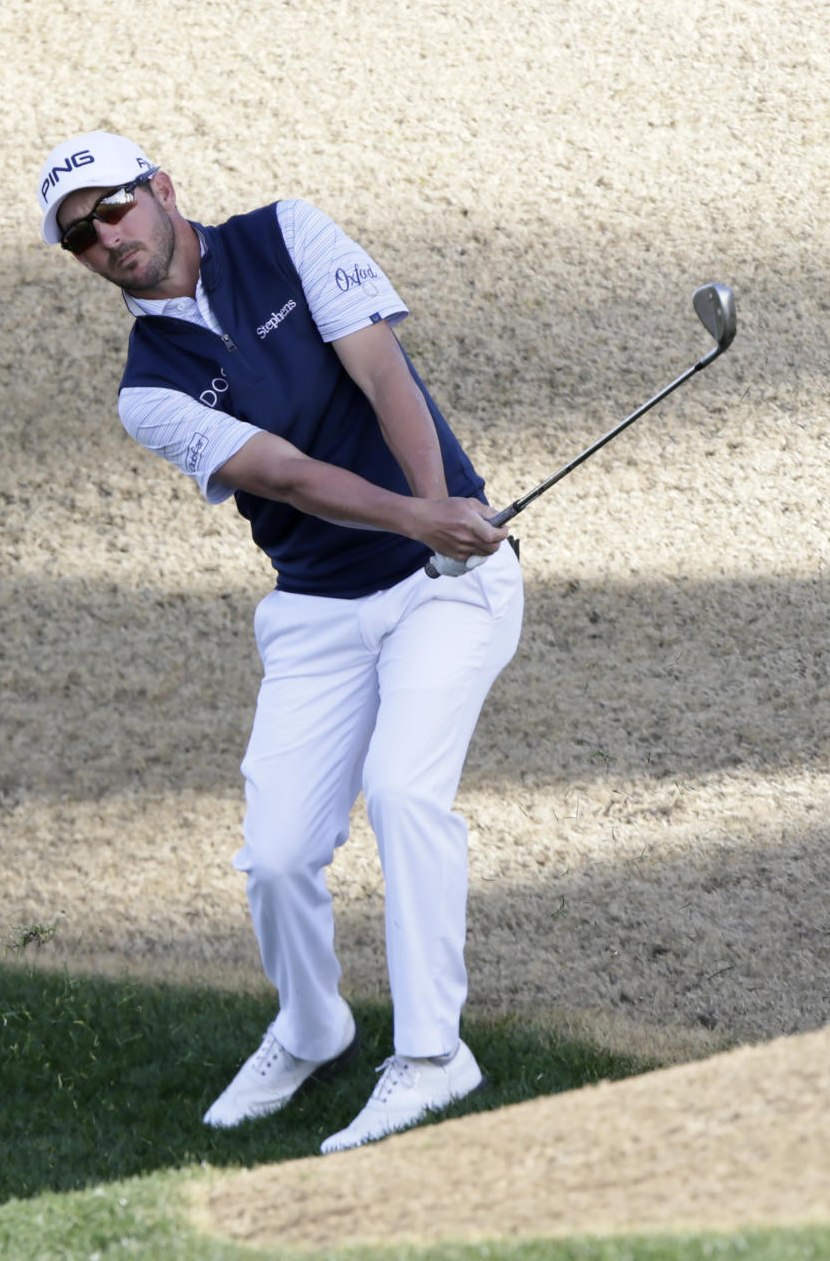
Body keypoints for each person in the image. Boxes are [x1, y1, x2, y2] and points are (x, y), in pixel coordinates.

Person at [37, 130, 524, 1153]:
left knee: (401, 791)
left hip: (451, 584)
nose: (105, 240)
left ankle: (436, 1056)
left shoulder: (286, 234)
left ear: (162, 188)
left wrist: (441, 518)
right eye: (80, 237)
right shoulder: (148, 391)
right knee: (276, 858)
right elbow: (291, 475)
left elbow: (385, 377)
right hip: (317, 610)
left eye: (113, 210)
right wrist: (415, 522)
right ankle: (313, 1029)